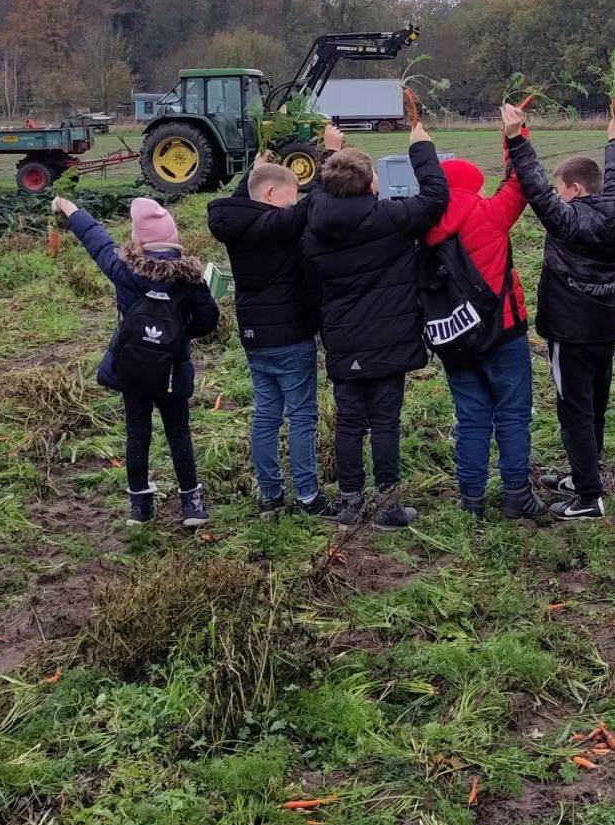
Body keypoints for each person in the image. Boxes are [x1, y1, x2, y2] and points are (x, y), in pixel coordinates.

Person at [301, 120, 449, 530]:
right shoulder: (392, 218)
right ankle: (387, 507)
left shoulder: (312, 227)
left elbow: (312, 288)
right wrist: (421, 147)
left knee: (349, 423)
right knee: (385, 422)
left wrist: (328, 154)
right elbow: (437, 196)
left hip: (343, 339)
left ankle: (349, 503)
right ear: (371, 186)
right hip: (391, 340)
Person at [51, 193, 219, 529]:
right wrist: (179, 334)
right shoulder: (190, 281)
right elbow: (208, 320)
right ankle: (192, 504)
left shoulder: (123, 270)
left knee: (137, 432)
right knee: (179, 431)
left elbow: (95, 239)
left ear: (138, 240)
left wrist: (69, 208)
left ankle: (139, 507)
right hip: (173, 369)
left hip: (132, 369)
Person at [503, 104, 615, 520]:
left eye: (563, 189)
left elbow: (538, 191)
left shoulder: (569, 222)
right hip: (604, 324)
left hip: (570, 328)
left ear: (576, 189)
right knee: (594, 402)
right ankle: (584, 475)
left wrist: (516, 137)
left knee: (573, 410)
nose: (558, 195)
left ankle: (588, 497)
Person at [207, 123, 344, 519]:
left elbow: (243, 201)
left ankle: (270, 494)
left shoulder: (233, 225)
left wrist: (254, 169)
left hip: (254, 336)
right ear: (270, 195)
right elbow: (315, 200)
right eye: (289, 195)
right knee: (302, 415)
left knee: (266, 414)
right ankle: (307, 496)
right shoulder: (276, 224)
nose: (294, 200)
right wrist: (330, 157)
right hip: (290, 334)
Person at [422, 126, 543, 523]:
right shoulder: (490, 215)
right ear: (474, 186)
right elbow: (520, 182)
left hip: (454, 337)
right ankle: (515, 495)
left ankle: (470, 498)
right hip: (504, 332)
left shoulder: (422, 228)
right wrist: (514, 136)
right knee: (512, 415)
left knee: (471, 418)